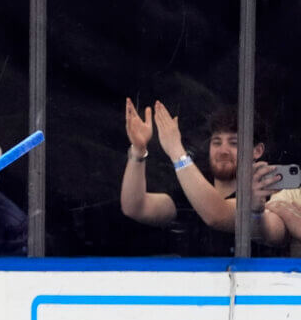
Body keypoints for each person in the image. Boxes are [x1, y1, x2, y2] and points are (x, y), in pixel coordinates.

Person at [119, 100, 279, 256]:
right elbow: (135, 207)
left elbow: (217, 214)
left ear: (257, 151)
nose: (223, 150)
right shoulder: (188, 196)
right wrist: (138, 151)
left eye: (234, 143)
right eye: (216, 142)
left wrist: (176, 150)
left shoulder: (266, 199)